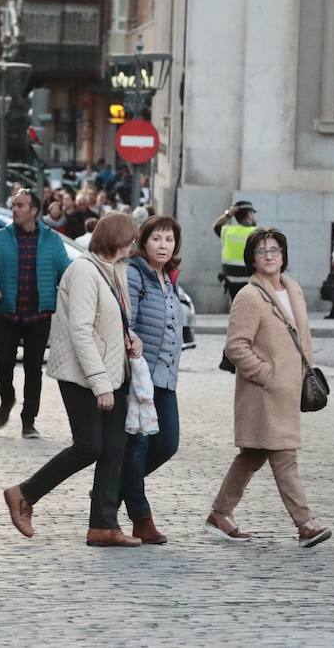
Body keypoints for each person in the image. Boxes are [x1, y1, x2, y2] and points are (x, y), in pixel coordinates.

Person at [2, 213, 143, 547]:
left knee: (114, 446)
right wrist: (100, 382)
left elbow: (108, 321)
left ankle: (103, 525)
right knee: (89, 445)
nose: (133, 246)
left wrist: (129, 337)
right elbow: (80, 330)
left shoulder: (117, 269)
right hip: (83, 375)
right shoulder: (83, 271)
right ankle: (24, 493)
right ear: (116, 239)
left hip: (113, 370)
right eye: (130, 239)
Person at [207, 228, 332, 548]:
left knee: (252, 455)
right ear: (252, 258)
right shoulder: (249, 296)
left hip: (289, 389)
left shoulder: (293, 289)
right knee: (283, 454)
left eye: (275, 250)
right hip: (263, 393)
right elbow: (236, 347)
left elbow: (301, 338)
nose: (269, 256)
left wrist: (303, 371)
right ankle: (304, 523)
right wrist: (267, 375)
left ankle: (220, 513)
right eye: (262, 251)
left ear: (284, 254)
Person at [0, 189, 71, 438]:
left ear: (34, 211)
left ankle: (29, 421)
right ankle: (7, 399)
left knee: (33, 369)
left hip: (39, 315)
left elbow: (66, 274)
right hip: (7, 314)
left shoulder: (52, 240)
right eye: (13, 204)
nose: (14, 209)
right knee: (2, 364)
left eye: (20, 205)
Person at [120, 215, 187, 545]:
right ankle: (141, 518)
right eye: (157, 239)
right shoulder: (136, 275)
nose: (164, 245)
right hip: (140, 376)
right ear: (144, 241)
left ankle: (113, 487)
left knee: (167, 443)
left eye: (170, 240)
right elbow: (126, 322)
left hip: (166, 377)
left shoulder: (169, 277)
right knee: (138, 446)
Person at [213, 200, 257, 304]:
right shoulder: (256, 233)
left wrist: (228, 214)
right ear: (250, 215)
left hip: (231, 280)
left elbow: (216, 226)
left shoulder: (227, 231)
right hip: (249, 281)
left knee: (237, 307)